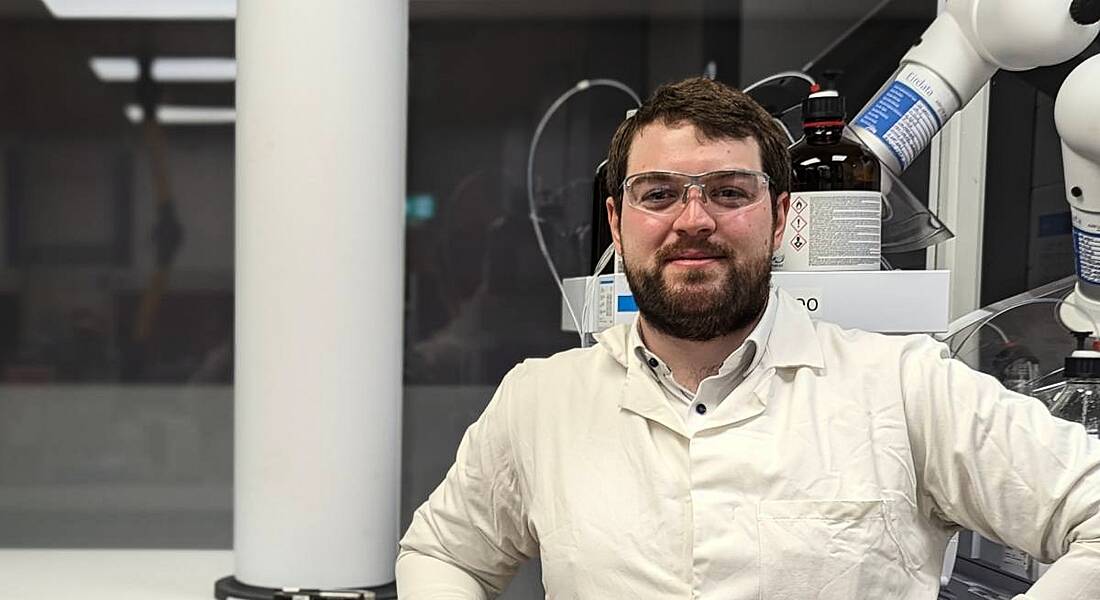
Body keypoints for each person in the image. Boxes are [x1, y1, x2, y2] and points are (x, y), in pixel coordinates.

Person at [396, 77, 1100, 599]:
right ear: (617, 222)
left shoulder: (903, 386)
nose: (693, 219)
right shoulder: (540, 402)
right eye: (659, 193)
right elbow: (441, 554)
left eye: (729, 192)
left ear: (781, 215)